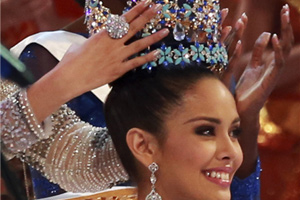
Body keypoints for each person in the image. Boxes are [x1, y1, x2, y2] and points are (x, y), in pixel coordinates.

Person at [0, 0, 293, 199]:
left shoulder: (199, 75)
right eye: (206, 130)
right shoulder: (45, 56)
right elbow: (79, 164)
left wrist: (244, 120)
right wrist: (65, 81)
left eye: (233, 131)